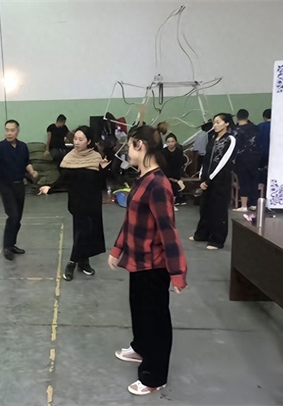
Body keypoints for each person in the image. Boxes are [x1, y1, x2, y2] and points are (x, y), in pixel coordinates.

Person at [107, 125, 187, 397]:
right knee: (139, 310)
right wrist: (117, 249)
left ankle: (154, 376)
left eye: (129, 146)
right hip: (137, 261)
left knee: (156, 320)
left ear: (140, 145)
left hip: (154, 265)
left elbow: (168, 232)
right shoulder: (142, 178)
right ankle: (141, 347)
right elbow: (131, 219)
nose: (126, 152)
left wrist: (177, 272)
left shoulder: (158, 185)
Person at [38, 125, 109, 281]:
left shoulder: (96, 157)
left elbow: (100, 183)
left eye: (80, 139)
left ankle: (83, 262)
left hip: (93, 202)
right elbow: (63, 180)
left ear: (88, 141)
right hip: (77, 202)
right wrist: (50, 187)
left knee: (88, 233)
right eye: (75, 138)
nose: (76, 142)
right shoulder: (69, 158)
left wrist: (104, 169)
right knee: (82, 232)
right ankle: (72, 263)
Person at [0, 120, 39, 260]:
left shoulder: (23, 147)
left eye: (12, 130)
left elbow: (26, 162)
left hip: (19, 185)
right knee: (12, 215)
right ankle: (7, 247)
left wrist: (32, 172)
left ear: (17, 131)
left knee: (18, 217)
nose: (9, 133)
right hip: (5, 185)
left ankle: (12, 244)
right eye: (7, 130)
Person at [191, 113, 236, 249]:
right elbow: (206, 159)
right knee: (205, 208)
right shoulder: (212, 139)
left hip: (220, 180)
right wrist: (202, 176)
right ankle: (202, 234)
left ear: (226, 123)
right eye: (214, 123)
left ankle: (217, 240)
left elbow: (223, 161)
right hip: (207, 179)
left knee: (218, 210)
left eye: (218, 122)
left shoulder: (230, 139)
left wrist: (210, 179)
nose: (215, 125)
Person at [233, 109, 261, 212]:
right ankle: (253, 204)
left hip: (241, 158)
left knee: (243, 181)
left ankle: (244, 205)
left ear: (237, 117)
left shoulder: (236, 130)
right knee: (254, 180)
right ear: (247, 116)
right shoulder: (256, 128)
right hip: (255, 157)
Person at [161, 134, 186, 206]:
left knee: (175, 185)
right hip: (165, 174)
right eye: (168, 142)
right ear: (166, 143)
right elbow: (163, 166)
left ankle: (173, 202)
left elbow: (179, 165)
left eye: (172, 141)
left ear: (175, 142)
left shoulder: (179, 152)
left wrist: (176, 178)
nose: (170, 143)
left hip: (176, 174)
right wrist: (169, 177)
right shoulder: (163, 152)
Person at [256, 109, 271, 189]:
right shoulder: (278, 127)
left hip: (261, 154)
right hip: (274, 155)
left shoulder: (259, 126)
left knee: (261, 175)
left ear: (264, 117)